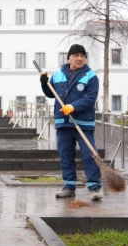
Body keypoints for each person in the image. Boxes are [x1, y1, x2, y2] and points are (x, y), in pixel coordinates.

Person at [40, 44, 103, 201]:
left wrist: (73, 107)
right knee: (65, 155)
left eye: (82, 55)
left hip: (84, 123)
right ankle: (69, 187)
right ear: (69, 58)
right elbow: (51, 93)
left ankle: (95, 187)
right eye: (76, 55)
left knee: (89, 155)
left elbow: (90, 98)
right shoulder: (59, 74)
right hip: (63, 123)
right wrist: (44, 82)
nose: (79, 58)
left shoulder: (90, 76)